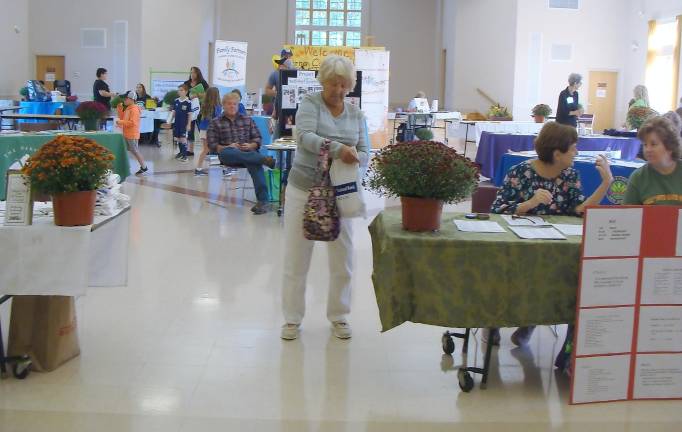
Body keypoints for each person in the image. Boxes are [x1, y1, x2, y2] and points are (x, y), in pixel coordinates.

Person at [491, 121, 613, 370]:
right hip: (519, 245)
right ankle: (494, 320)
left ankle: (532, 322)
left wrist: (605, 184)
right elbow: (496, 211)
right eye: (573, 149)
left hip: (554, 244)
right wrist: (528, 204)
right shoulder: (520, 172)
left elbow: (579, 210)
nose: (577, 153)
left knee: (565, 273)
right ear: (557, 153)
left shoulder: (570, 175)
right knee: (521, 272)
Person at [280, 55, 368, 341]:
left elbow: (366, 151)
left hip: (342, 194)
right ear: (323, 82)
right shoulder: (310, 103)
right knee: (296, 259)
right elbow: (304, 135)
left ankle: (339, 316)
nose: (339, 90)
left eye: (344, 85)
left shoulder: (356, 114)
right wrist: (338, 149)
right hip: (303, 189)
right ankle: (292, 319)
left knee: (343, 260)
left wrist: (356, 157)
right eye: (333, 84)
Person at [206, 92, 275, 213]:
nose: (232, 106)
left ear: (238, 105)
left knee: (254, 163)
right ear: (223, 105)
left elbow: (257, 138)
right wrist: (228, 146)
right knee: (233, 152)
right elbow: (212, 145)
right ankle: (263, 159)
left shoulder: (247, 119)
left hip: (248, 152)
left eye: (235, 104)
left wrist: (251, 145)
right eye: (229, 104)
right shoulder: (215, 122)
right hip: (228, 155)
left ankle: (263, 202)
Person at [623, 116, 682, 206]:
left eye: (653, 144)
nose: (648, 149)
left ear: (670, 146)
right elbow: (627, 216)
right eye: (645, 144)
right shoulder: (638, 177)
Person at [116, 91, 148, 175]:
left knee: (135, 151)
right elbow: (123, 117)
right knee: (130, 151)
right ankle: (125, 166)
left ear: (131, 99)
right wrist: (119, 108)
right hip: (126, 133)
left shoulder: (134, 109)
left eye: (126, 98)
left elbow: (132, 123)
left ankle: (144, 167)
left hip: (132, 134)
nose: (124, 100)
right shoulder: (128, 108)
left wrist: (120, 122)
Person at [194, 87, 222, 176]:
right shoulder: (216, 106)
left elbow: (200, 118)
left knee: (206, 149)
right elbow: (216, 120)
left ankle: (198, 168)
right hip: (211, 131)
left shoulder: (205, 105)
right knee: (218, 148)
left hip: (203, 130)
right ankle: (225, 168)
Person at [184, 67, 210, 156]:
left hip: (201, 109)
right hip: (190, 109)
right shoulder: (186, 83)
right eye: (191, 73)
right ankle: (190, 150)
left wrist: (198, 95)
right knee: (190, 129)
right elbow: (183, 95)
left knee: (201, 128)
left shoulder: (203, 83)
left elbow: (208, 93)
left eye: (194, 73)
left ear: (198, 73)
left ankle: (206, 149)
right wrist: (189, 97)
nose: (192, 74)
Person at [166, 84, 193, 162]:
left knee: (183, 139)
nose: (180, 92)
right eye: (179, 90)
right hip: (177, 123)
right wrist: (170, 121)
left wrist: (188, 124)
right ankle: (181, 153)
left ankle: (185, 156)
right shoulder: (176, 101)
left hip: (184, 124)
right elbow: (173, 113)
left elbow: (190, 114)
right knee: (178, 138)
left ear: (186, 91)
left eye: (182, 90)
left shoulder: (188, 102)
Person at [265, 55, 295, 119]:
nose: (279, 66)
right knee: (281, 126)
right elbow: (267, 90)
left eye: (281, 64)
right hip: (279, 108)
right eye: (279, 64)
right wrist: (279, 93)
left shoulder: (296, 74)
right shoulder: (275, 74)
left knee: (291, 127)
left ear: (288, 67)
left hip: (294, 108)